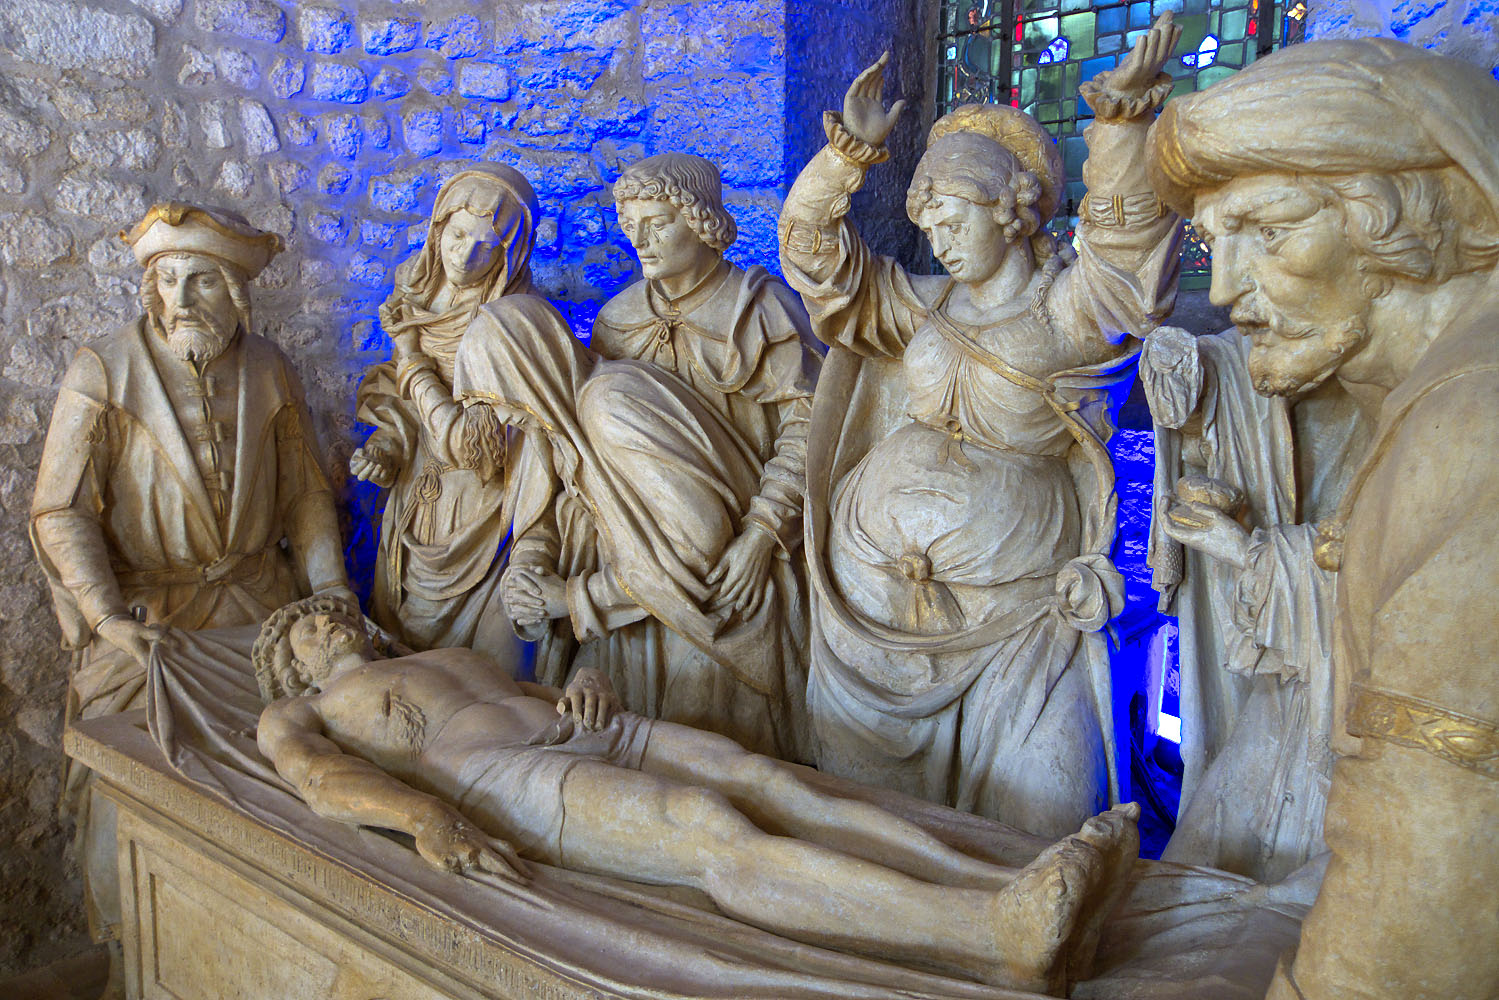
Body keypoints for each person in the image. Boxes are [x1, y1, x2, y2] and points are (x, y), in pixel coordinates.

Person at [253, 595, 1141, 997]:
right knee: (704, 828)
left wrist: (587, 678)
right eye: (300, 630)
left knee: (763, 778)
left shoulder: (436, 652)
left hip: (581, 728)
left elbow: (530, 690)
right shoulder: (302, 709)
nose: (318, 623)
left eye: (323, 612)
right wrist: (425, 817)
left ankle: (1001, 881)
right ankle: (992, 938)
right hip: (502, 781)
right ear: (289, 665)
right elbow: (322, 780)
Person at [1145, 38, 1499, 1000]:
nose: (1223, 293)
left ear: (1398, 216)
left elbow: (1428, 881)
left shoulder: (1471, 421)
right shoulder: (1439, 402)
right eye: (1217, 246)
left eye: (1267, 230)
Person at [777, 19, 1182, 836]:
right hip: (868, 604)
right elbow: (810, 256)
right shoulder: (917, 305)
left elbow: (1126, 254)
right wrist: (843, 162)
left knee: (1041, 812)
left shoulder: (1070, 311)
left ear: (1011, 211)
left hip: (1018, 617)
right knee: (864, 834)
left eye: (954, 218)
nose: (939, 238)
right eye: (927, 224)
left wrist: (1119, 125)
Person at [30, 202, 352, 940]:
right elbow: (61, 510)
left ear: (236, 292)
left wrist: (331, 592)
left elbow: (305, 495)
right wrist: (106, 618)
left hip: (257, 610)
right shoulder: (103, 370)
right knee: (129, 787)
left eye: (201, 281)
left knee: (287, 774)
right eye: (166, 280)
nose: (179, 299)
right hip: (150, 622)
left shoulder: (270, 369)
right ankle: (134, 958)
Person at [471, 153, 823, 761]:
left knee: (718, 767)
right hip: (633, 565)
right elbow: (578, 466)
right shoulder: (619, 320)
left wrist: (763, 531)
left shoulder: (757, 309)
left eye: (656, 222)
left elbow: (810, 426)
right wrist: (534, 562)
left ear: (703, 220)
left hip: (731, 556)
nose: (640, 240)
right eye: (630, 225)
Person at [1140, 323, 1369, 882]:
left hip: (1345, 700)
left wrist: (1242, 550)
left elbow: (1378, 574)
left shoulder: (1421, 398)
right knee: (1192, 866)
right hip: (1287, 682)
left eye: (1270, 232)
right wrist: (1193, 373)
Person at [351, 165, 539, 664]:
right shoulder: (417, 292)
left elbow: (473, 448)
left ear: (509, 254)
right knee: (398, 650)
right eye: (456, 235)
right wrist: (387, 446)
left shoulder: (510, 324)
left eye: (486, 245)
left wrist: (411, 355)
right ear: (437, 229)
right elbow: (402, 398)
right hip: (417, 492)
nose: (464, 254)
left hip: (479, 507)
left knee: (468, 667)